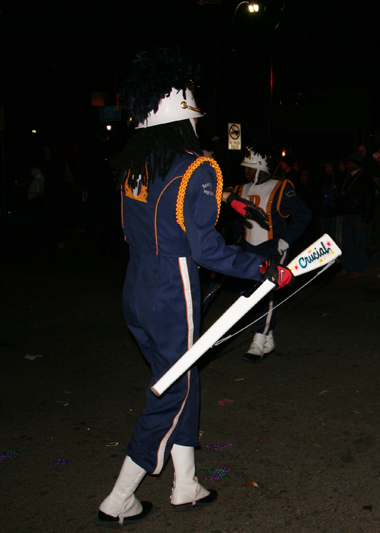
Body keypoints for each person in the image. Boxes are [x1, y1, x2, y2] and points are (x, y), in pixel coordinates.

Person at [96, 49, 293, 527]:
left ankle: (185, 482)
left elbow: (147, 220)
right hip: (171, 287)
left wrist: (224, 205)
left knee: (186, 378)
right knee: (173, 387)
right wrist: (262, 269)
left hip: (136, 284)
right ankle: (120, 495)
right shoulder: (197, 166)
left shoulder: (134, 165)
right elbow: (205, 250)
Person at [231, 138, 311, 361]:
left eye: (249, 168)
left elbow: (304, 215)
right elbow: (238, 222)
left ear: (259, 168)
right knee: (247, 293)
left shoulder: (281, 187)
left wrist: (287, 238)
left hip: (272, 247)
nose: (245, 172)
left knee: (266, 293)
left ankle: (258, 337)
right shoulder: (240, 189)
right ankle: (268, 335)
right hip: (249, 248)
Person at [336, 152, 375, 278]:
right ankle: (347, 267)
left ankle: (357, 269)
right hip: (348, 214)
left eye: (350, 163)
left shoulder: (365, 178)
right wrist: (342, 212)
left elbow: (369, 199)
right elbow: (343, 196)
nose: (347, 165)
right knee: (346, 243)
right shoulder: (348, 177)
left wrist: (365, 219)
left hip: (358, 215)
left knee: (359, 243)